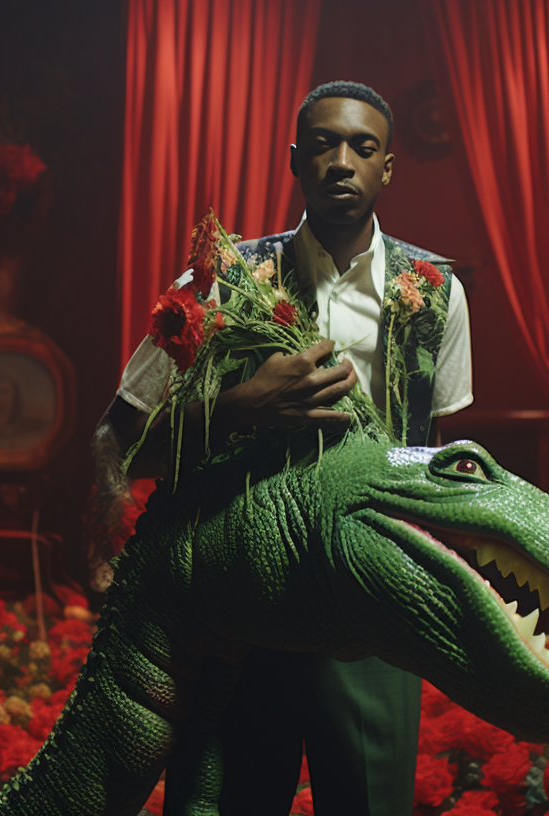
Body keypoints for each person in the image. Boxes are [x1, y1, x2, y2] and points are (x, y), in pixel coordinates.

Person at [96, 80, 472, 816]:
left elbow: (444, 466)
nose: (342, 161)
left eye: (363, 147)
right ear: (295, 161)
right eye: (324, 145)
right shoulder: (221, 281)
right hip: (244, 606)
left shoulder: (436, 294)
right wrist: (241, 406)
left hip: (374, 614)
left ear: (387, 168)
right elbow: (118, 440)